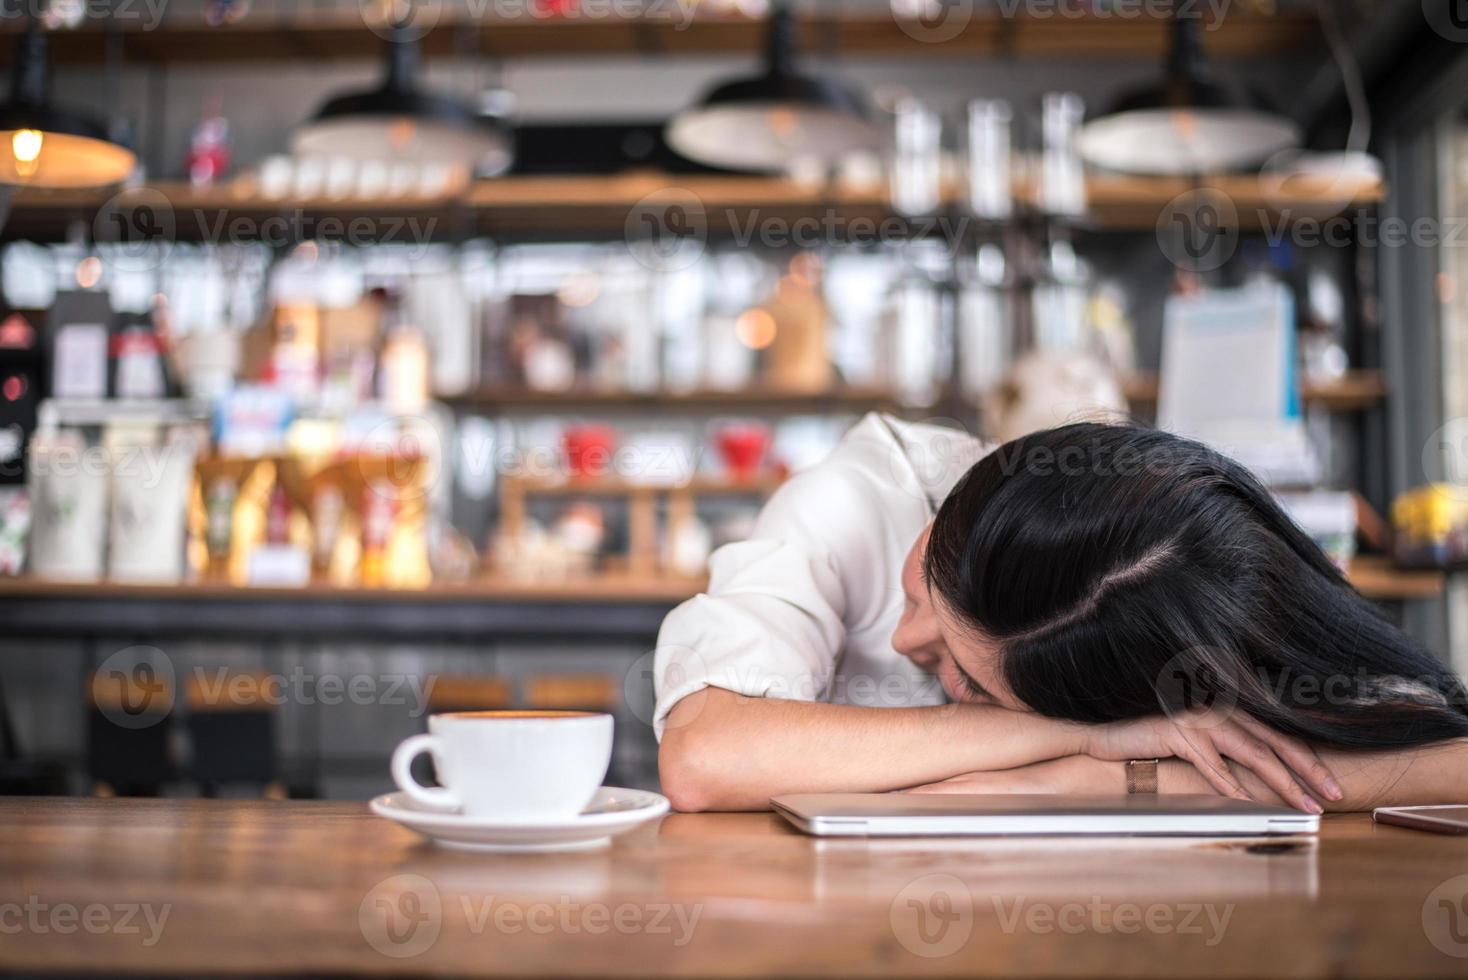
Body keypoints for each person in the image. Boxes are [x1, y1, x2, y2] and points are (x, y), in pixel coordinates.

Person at [654, 416, 1468, 813]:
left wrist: (1108, 779)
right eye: (918, 590)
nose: (905, 642)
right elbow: (705, 753)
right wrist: (1081, 741)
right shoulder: (848, 504)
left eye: (964, 677)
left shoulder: (1153, 595)